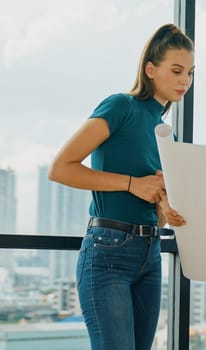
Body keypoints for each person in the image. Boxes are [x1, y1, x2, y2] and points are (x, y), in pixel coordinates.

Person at [47, 24, 194, 350]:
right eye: (176, 70)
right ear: (151, 69)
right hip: (107, 253)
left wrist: (164, 208)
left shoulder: (165, 134)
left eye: (190, 72)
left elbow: (155, 209)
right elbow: (60, 168)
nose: (185, 80)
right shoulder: (120, 107)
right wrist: (132, 184)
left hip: (150, 253)